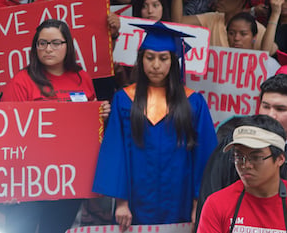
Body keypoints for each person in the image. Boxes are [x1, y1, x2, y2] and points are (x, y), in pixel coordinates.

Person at [93, 21, 217, 230]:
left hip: (181, 197)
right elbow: (116, 152)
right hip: (136, 198)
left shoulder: (193, 102)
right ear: (141, 60)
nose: (156, 65)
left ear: (173, 61)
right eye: (149, 58)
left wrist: (199, 202)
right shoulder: (124, 100)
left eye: (163, 58)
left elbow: (204, 155)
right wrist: (121, 203)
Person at [1, 19, 111, 233]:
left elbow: (89, 130)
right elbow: (6, 135)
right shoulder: (21, 81)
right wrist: (10, 182)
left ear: (67, 45)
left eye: (55, 43)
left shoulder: (82, 78)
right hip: (28, 179)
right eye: (42, 43)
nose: (47, 49)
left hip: (67, 178)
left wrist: (101, 115)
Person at [196, 74, 287, 228]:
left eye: (280, 109)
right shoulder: (235, 141)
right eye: (265, 106)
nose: (271, 115)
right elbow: (212, 190)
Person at [226, 12, 280, 77]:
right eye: (231, 33)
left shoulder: (269, 64)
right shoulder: (218, 63)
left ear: (254, 37)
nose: (236, 38)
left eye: (243, 34)